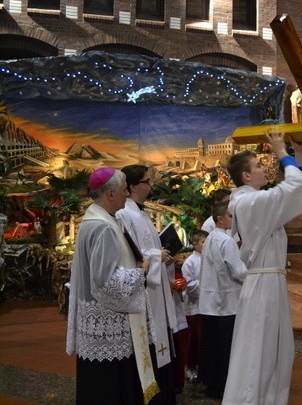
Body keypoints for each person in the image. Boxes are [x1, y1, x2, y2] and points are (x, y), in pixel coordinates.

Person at [222, 133, 302, 404]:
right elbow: (289, 192)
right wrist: (280, 151)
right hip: (262, 287)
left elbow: (294, 201)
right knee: (256, 353)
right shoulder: (248, 202)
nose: (265, 168)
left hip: (269, 284)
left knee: (275, 351)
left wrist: (297, 157)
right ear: (246, 177)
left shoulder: (254, 201)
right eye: (259, 166)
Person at [66, 167, 159, 404]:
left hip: (101, 326)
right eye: (124, 189)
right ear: (109, 194)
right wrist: (141, 272)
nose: (127, 194)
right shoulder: (103, 227)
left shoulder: (94, 220)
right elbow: (106, 281)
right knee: (111, 390)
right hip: (110, 323)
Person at [116, 165, 181, 404]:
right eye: (147, 181)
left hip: (155, 289)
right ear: (133, 186)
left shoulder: (140, 214)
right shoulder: (125, 215)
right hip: (144, 294)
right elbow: (129, 253)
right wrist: (157, 256)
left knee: (161, 346)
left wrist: (162, 254)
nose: (151, 186)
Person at [198, 200, 247, 399]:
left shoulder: (210, 238)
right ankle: (221, 386)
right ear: (220, 219)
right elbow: (237, 270)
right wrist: (252, 271)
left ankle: (210, 383)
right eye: (230, 216)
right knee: (224, 346)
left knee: (211, 344)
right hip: (225, 302)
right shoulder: (226, 241)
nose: (232, 220)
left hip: (210, 301)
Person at [181, 229, 209, 383]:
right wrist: (205, 283)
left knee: (204, 339)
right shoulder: (190, 262)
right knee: (193, 338)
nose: (206, 245)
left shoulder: (209, 258)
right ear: (195, 244)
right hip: (194, 306)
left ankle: (204, 367)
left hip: (207, 306)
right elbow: (188, 285)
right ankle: (190, 368)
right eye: (204, 242)